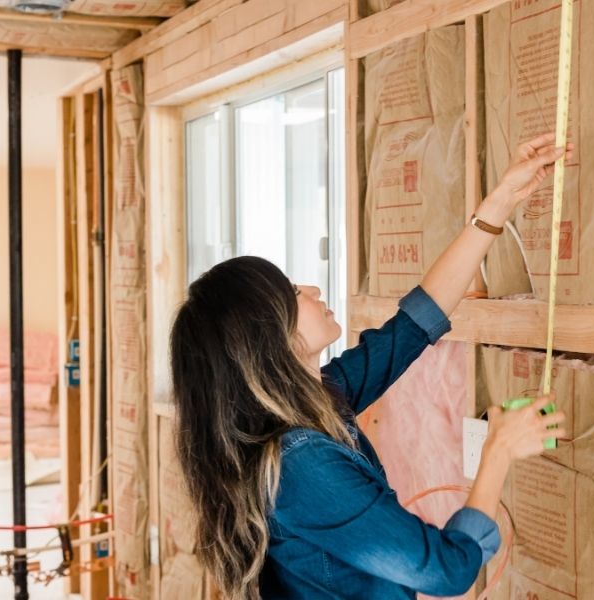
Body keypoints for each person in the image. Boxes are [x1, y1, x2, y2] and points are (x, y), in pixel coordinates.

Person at [170, 133, 570, 600]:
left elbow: (414, 326)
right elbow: (446, 569)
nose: (312, 291)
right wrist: (498, 451)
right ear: (270, 337)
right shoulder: (302, 465)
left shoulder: (318, 399)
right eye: (292, 293)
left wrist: (501, 201)